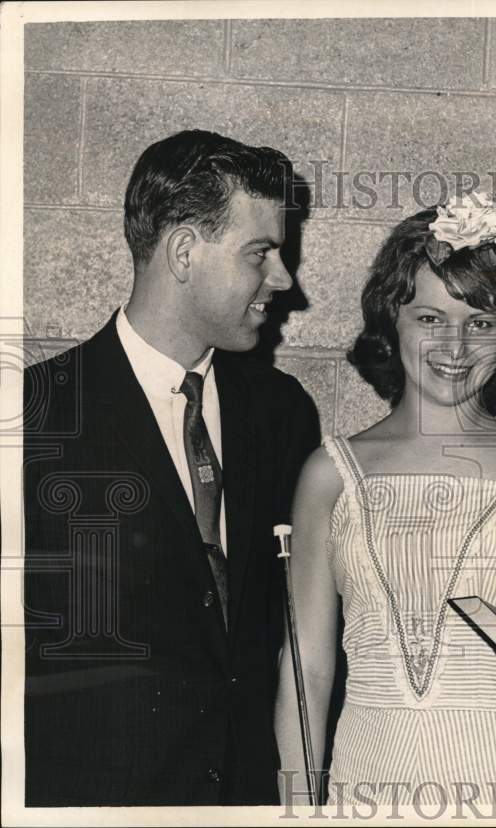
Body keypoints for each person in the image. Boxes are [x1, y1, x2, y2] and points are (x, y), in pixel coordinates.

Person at [23, 129, 321, 806]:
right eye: (261, 254)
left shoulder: (282, 414)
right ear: (184, 251)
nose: (283, 281)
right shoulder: (32, 417)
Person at [274, 195, 496, 807]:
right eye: (429, 318)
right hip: (367, 787)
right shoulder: (330, 474)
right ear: (392, 317)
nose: (455, 345)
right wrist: (297, 808)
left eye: (480, 322)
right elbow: (307, 667)